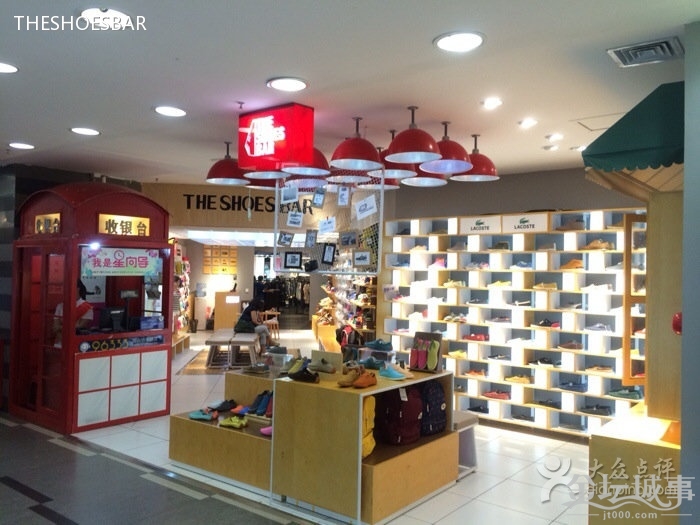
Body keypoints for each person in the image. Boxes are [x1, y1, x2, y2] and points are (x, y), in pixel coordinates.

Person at [54, 280, 94, 346]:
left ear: (78, 288)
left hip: (76, 343)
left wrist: (60, 327)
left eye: (68, 287)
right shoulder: (60, 306)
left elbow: (79, 326)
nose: (65, 289)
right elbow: (55, 328)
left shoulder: (86, 307)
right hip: (59, 342)